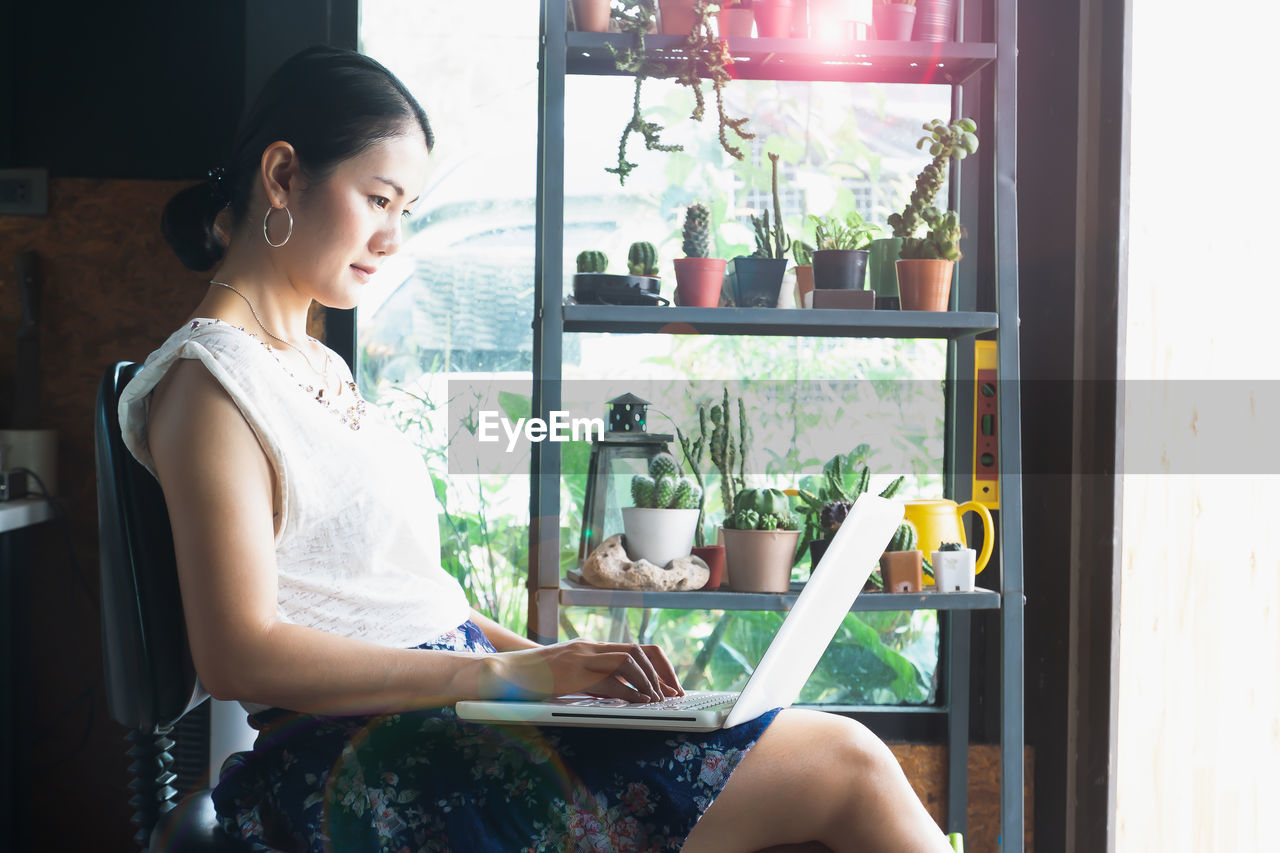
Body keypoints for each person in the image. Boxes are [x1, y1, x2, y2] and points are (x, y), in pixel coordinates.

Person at [121, 45, 953, 853]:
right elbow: (240, 653)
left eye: (404, 211)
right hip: (364, 761)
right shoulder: (210, 383)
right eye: (379, 198)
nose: (392, 237)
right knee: (848, 767)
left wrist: (564, 668)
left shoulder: (315, 364)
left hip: (453, 721)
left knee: (811, 789)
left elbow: (418, 605)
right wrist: (499, 679)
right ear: (282, 174)